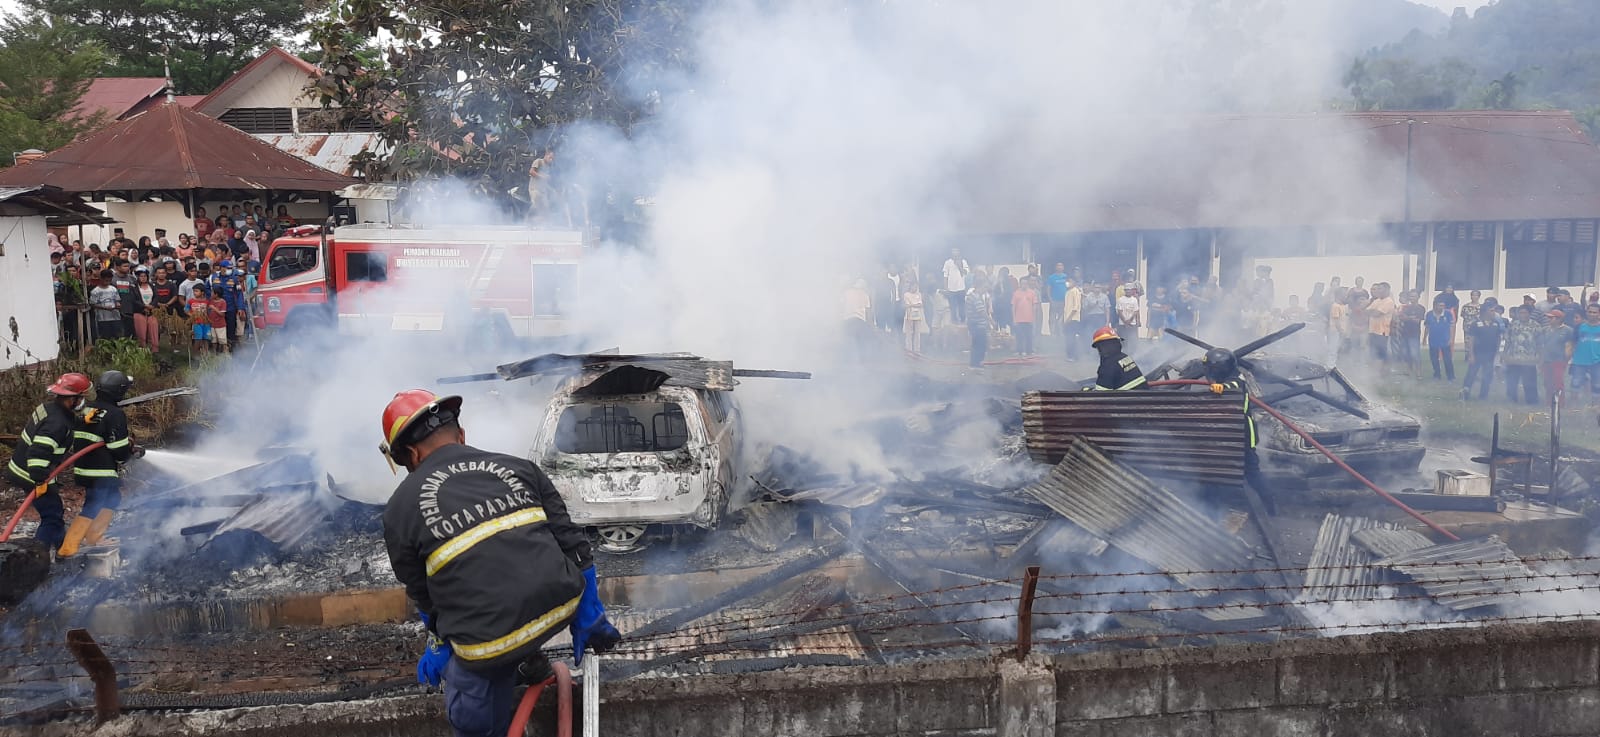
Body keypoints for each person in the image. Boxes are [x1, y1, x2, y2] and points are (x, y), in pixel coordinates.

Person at [379, 390, 619, 737]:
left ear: (411, 455)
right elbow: (572, 542)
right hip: (560, 606)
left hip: (487, 643)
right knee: (511, 599)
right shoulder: (520, 467)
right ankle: (525, 661)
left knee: (467, 706)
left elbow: (423, 593)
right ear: (461, 435)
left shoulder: (399, 509)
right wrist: (590, 609)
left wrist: (439, 643)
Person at [3, 373, 92, 550]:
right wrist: (40, 480)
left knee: (55, 511)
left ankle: (61, 548)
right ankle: (36, 556)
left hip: (19, 466)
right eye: (81, 398)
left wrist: (83, 419)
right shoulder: (57, 425)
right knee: (51, 515)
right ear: (71, 399)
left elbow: (63, 420)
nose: (83, 402)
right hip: (31, 474)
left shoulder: (48, 408)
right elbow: (38, 454)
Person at [59, 371, 141, 557]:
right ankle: (68, 548)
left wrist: (127, 447)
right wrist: (129, 455)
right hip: (101, 471)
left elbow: (100, 436)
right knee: (93, 505)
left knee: (112, 499)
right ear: (119, 392)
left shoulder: (89, 409)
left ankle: (94, 538)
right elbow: (117, 449)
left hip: (84, 467)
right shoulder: (115, 414)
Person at [1201, 348, 1267, 493]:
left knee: (1252, 473)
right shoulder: (1221, 380)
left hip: (1243, 436)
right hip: (1225, 438)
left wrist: (1223, 388)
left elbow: (1235, 386)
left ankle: (1269, 507)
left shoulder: (1237, 380)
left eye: (1210, 370)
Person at [1461, 299, 1505, 401]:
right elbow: (1471, 340)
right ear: (1485, 311)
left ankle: (1483, 395)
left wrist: (1498, 352)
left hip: (1490, 354)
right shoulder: (1476, 324)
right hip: (1477, 353)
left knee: (1487, 375)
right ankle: (1465, 393)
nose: (1494, 313)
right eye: (1491, 310)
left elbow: (1498, 338)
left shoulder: (1496, 324)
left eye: (1494, 310)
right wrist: (1471, 354)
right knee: (1471, 374)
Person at [1087, 326, 1147, 391]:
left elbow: (1100, 395)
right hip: (1142, 396)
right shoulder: (1125, 357)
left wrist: (1086, 391)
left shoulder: (1107, 366)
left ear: (1101, 347)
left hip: (1127, 400)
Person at [1503, 306, 1541, 405]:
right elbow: (1508, 340)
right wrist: (1504, 354)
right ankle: (1511, 399)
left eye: (1525, 313)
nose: (1522, 315)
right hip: (1514, 358)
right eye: (1520, 313)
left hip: (1529, 359)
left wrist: (1540, 357)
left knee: (1529, 382)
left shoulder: (1536, 325)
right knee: (1512, 381)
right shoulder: (1513, 324)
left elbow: (1540, 343)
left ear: (1529, 314)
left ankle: (1532, 401)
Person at [1571, 303, 1600, 404]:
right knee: (1575, 383)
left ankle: (1595, 406)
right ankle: (1574, 407)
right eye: (1590, 312)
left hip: (1597, 361)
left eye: (1594, 312)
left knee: (1597, 384)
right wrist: (1570, 357)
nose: (1592, 314)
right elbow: (1573, 342)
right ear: (1587, 313)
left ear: (1599, 314)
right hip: (1579, 361)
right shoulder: (1579, 327)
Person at [1542, 309, 1574, 400]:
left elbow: (1569, 346)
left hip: (1559, 360)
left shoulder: (1568, 330)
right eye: (1548, 317)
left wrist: (1566, 359)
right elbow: (1542, 345)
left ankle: (1560, 403)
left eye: (1551, 318)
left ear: (1559, 319)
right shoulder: (1545, 330)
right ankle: (1549, 402)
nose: (1548, 319)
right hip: (1546, 360)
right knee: (1547, 382)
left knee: (1558, 382)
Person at [965, 272, 993, 369]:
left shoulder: (972, 295)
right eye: (985, 287)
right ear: (979, 286)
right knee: (980, 344)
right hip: (977, 324)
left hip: (974, 323)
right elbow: (982, 312)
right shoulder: (976, 297)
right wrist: (991, 321)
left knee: (977, 344)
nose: (986, 289)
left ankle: (976, 363)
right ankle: (976, 364)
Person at [1395, 291, 1426, 376]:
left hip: (1414, 334)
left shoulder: (1421, 308)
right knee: (1406, 353)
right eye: (1411, 296)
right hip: (1404, 333)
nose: (1412, 298)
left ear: (1418, 297)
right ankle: (1409, 370)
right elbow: (1401, 317)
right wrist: (1410, 318)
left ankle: (1419, 371)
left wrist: (1407, 318)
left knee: (1415, 353)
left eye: (1414, 296)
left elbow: (1417, 320)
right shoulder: (1406, 308)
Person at [1424, 299, 1456, 380]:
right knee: (1434, 359)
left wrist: (1451, 339)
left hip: (1445, 339)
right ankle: (1437, 374)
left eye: (1443, 306)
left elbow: (1452, 326)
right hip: (1433, 339)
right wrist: (1424, 338)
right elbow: (1427, 327)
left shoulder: (1448, 314)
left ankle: (1451, 376)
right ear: (1435, 305)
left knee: (1447, 359)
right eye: (1440, 305)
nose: (1442, 307)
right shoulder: (1429, 314)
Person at [1366, 283, 1396, 364]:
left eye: (1380, 289)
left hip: (1382, 332)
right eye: (1378, 288)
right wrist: (1373, 311)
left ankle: (1383, 372)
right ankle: (1375, 372)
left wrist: (1373, 311)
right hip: (1372, 330)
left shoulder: (1389, 301)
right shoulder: (1376, 301)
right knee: (1372, 353)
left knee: (1381, 355)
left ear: (1386, 290)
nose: (1378, 291)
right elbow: (1366, 311)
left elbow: (1377, 313)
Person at [89, 269, 122, 341]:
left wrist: (117, 305)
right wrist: (104, 307)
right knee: (105, 337)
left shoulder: (113, 289)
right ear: (101, 279)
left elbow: (117, 300)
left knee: (116, 336)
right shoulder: (95, 291)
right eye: (106, 280)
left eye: (109, 281)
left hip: (115, 317)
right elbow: (92, 304)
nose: (108, 282)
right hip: (102, 318)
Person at [1011, 275, 1039, 356]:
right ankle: (1019, 351)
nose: (1024, 285)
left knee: (1029, 336)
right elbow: (1013, 306)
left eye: (1025, 283)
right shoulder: (1016, 293)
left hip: (1029, 318)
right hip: (1019, 319)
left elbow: (1034, 305)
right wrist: (1014, 318)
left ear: (1027, 284)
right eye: (1023, 283)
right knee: (1019, 336)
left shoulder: (1032, 293)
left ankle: (1029, 351)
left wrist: (1033, 317)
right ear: (1020, 284)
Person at [942, 248, 968, 323]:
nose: (955, 252)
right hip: (951, 289)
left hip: (961, 288)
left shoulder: (963, 262)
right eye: (953, 251)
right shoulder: (947, 262)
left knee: (962, 307)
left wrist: (959, 265)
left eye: (956, 251)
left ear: (959, 252)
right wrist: (946, 288)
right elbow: (945, 276)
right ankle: (954, 322)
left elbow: (965, 273)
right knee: (953, 307)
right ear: (951, 252)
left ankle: (963, 321)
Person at [902, 280, 928, 354]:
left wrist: (912, 305)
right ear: (911, 286)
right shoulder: (906, 294)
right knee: (909, 333)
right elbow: (907, 305)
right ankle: (909, 349)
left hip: (918, 315)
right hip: (909, 315)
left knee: (917, 333)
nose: (915, 288)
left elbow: (920, 305)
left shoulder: (918, 294)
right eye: (914, 286)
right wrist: (914, 305)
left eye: (917, 286)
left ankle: (917, 349)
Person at [188, 284, 213, 353]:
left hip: (206, 323)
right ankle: (195, 354)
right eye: (194, 291)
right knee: (197, 338)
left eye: (196, 291)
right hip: (196, 323)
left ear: (202, 292)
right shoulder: (191, 301)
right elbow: (186, 310)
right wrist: (192, 315)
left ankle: (206, 353)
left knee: (206, 338)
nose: (194, 293)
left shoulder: (207, 301)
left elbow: (209, 311)